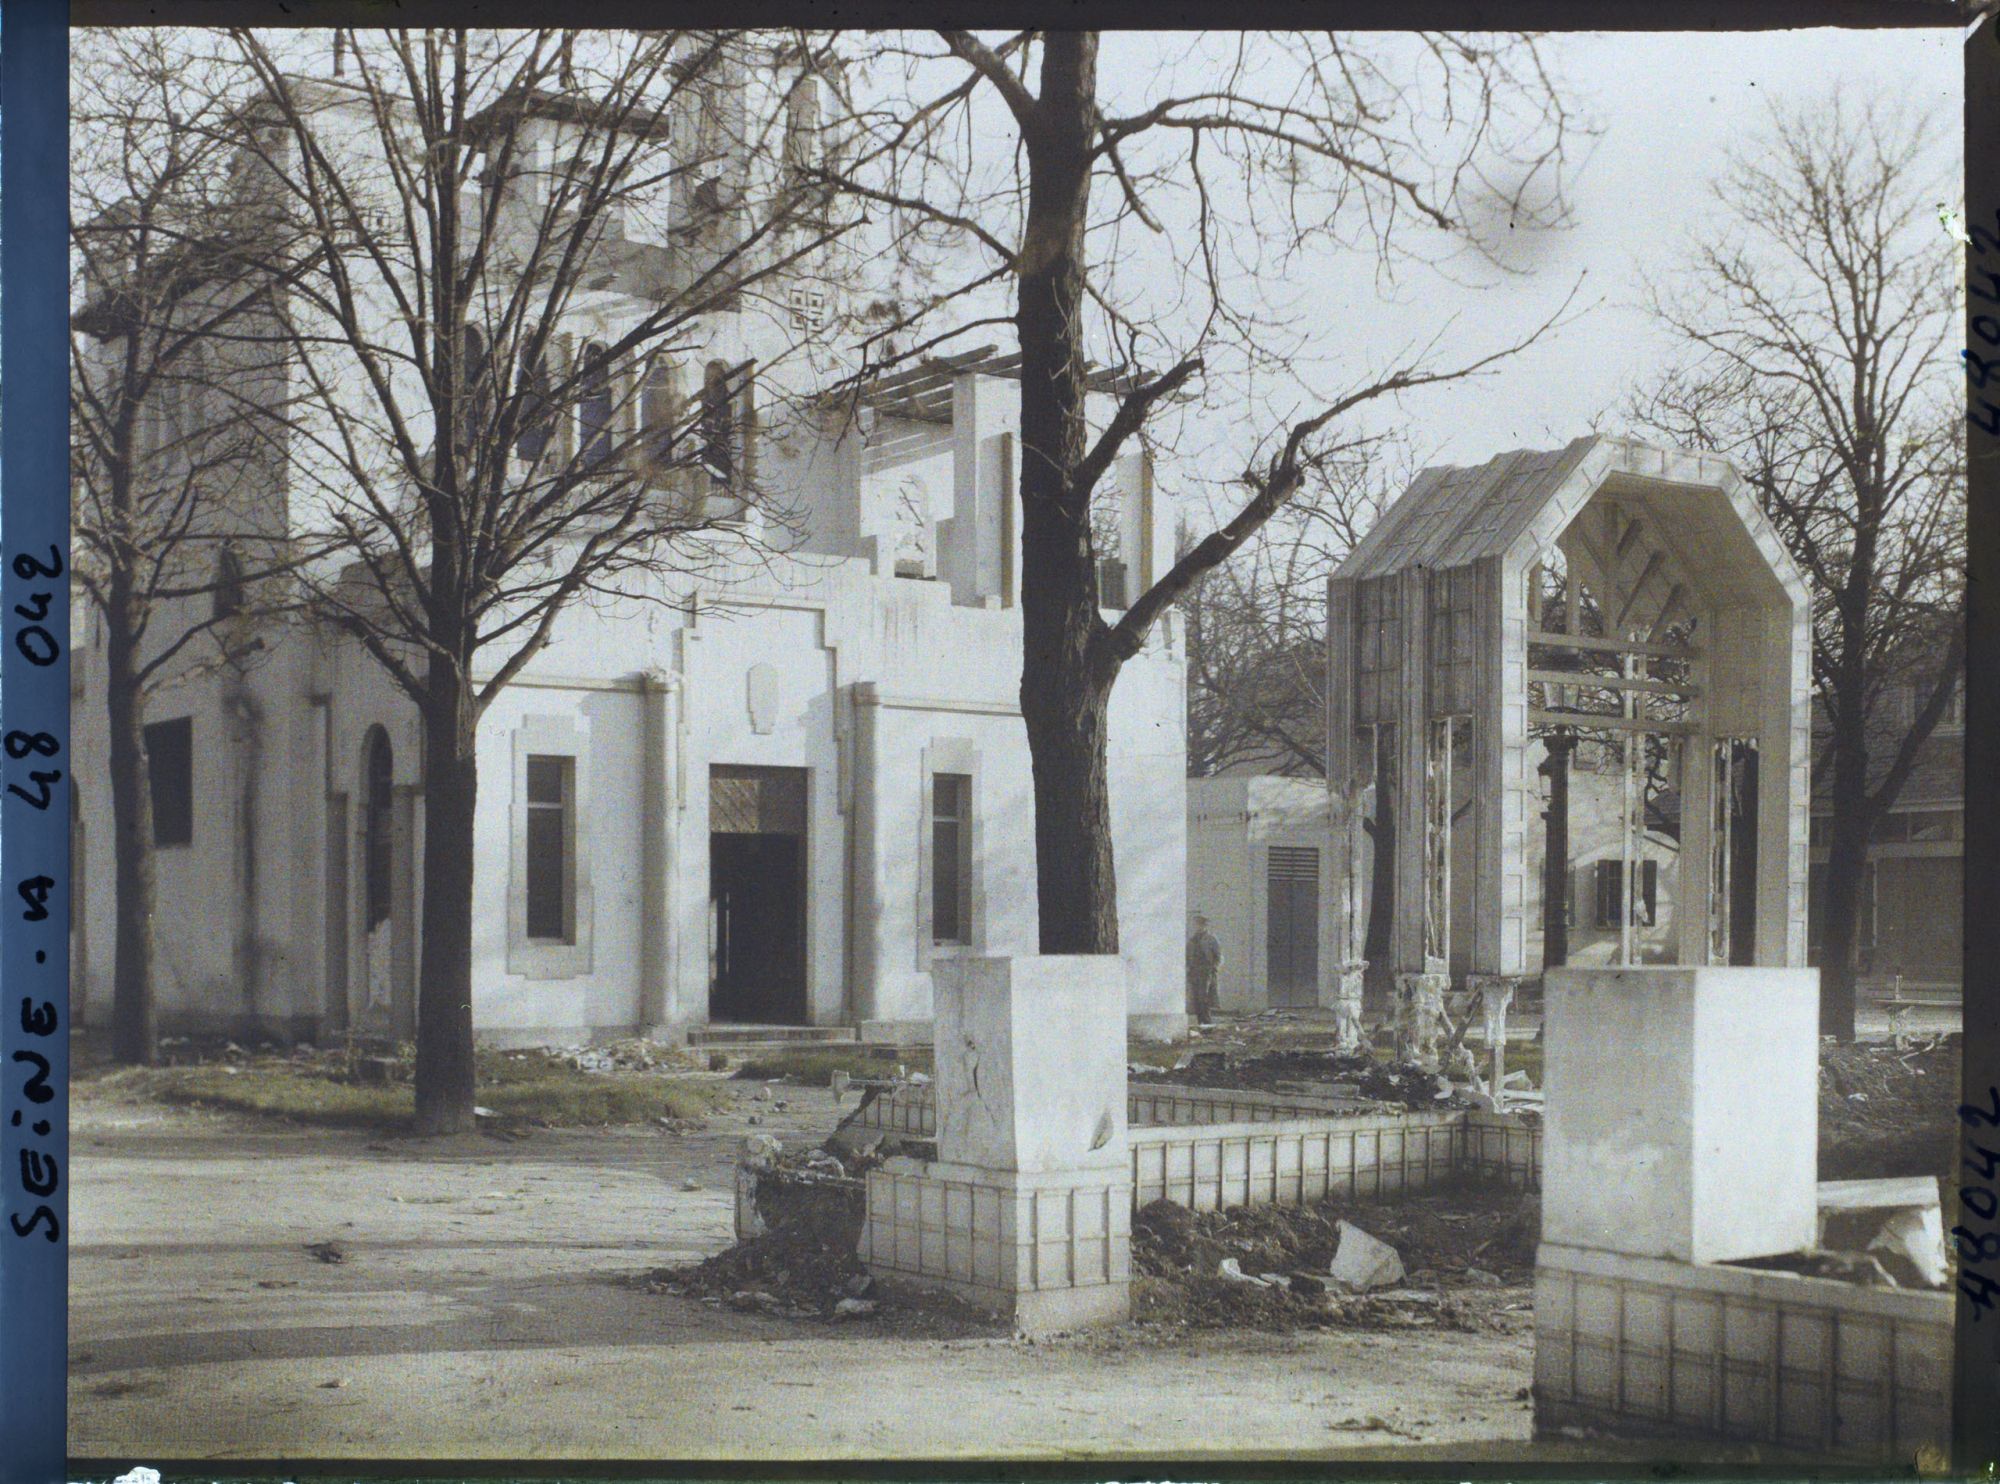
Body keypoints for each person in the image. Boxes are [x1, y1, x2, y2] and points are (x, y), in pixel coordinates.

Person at [1186, 915, 1222, 1026]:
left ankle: (1207, 1024)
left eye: (1201, 925)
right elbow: (1187, 956)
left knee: (1204, 998)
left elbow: (1218, 956)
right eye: (1197, 925)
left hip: (1206, 972)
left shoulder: (1211, 939)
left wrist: (1214, 968)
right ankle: (1200, 1023)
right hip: (1193, 971)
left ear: (1205, 926)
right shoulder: (1192, 940)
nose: (1199, 927)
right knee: (1195, 999)